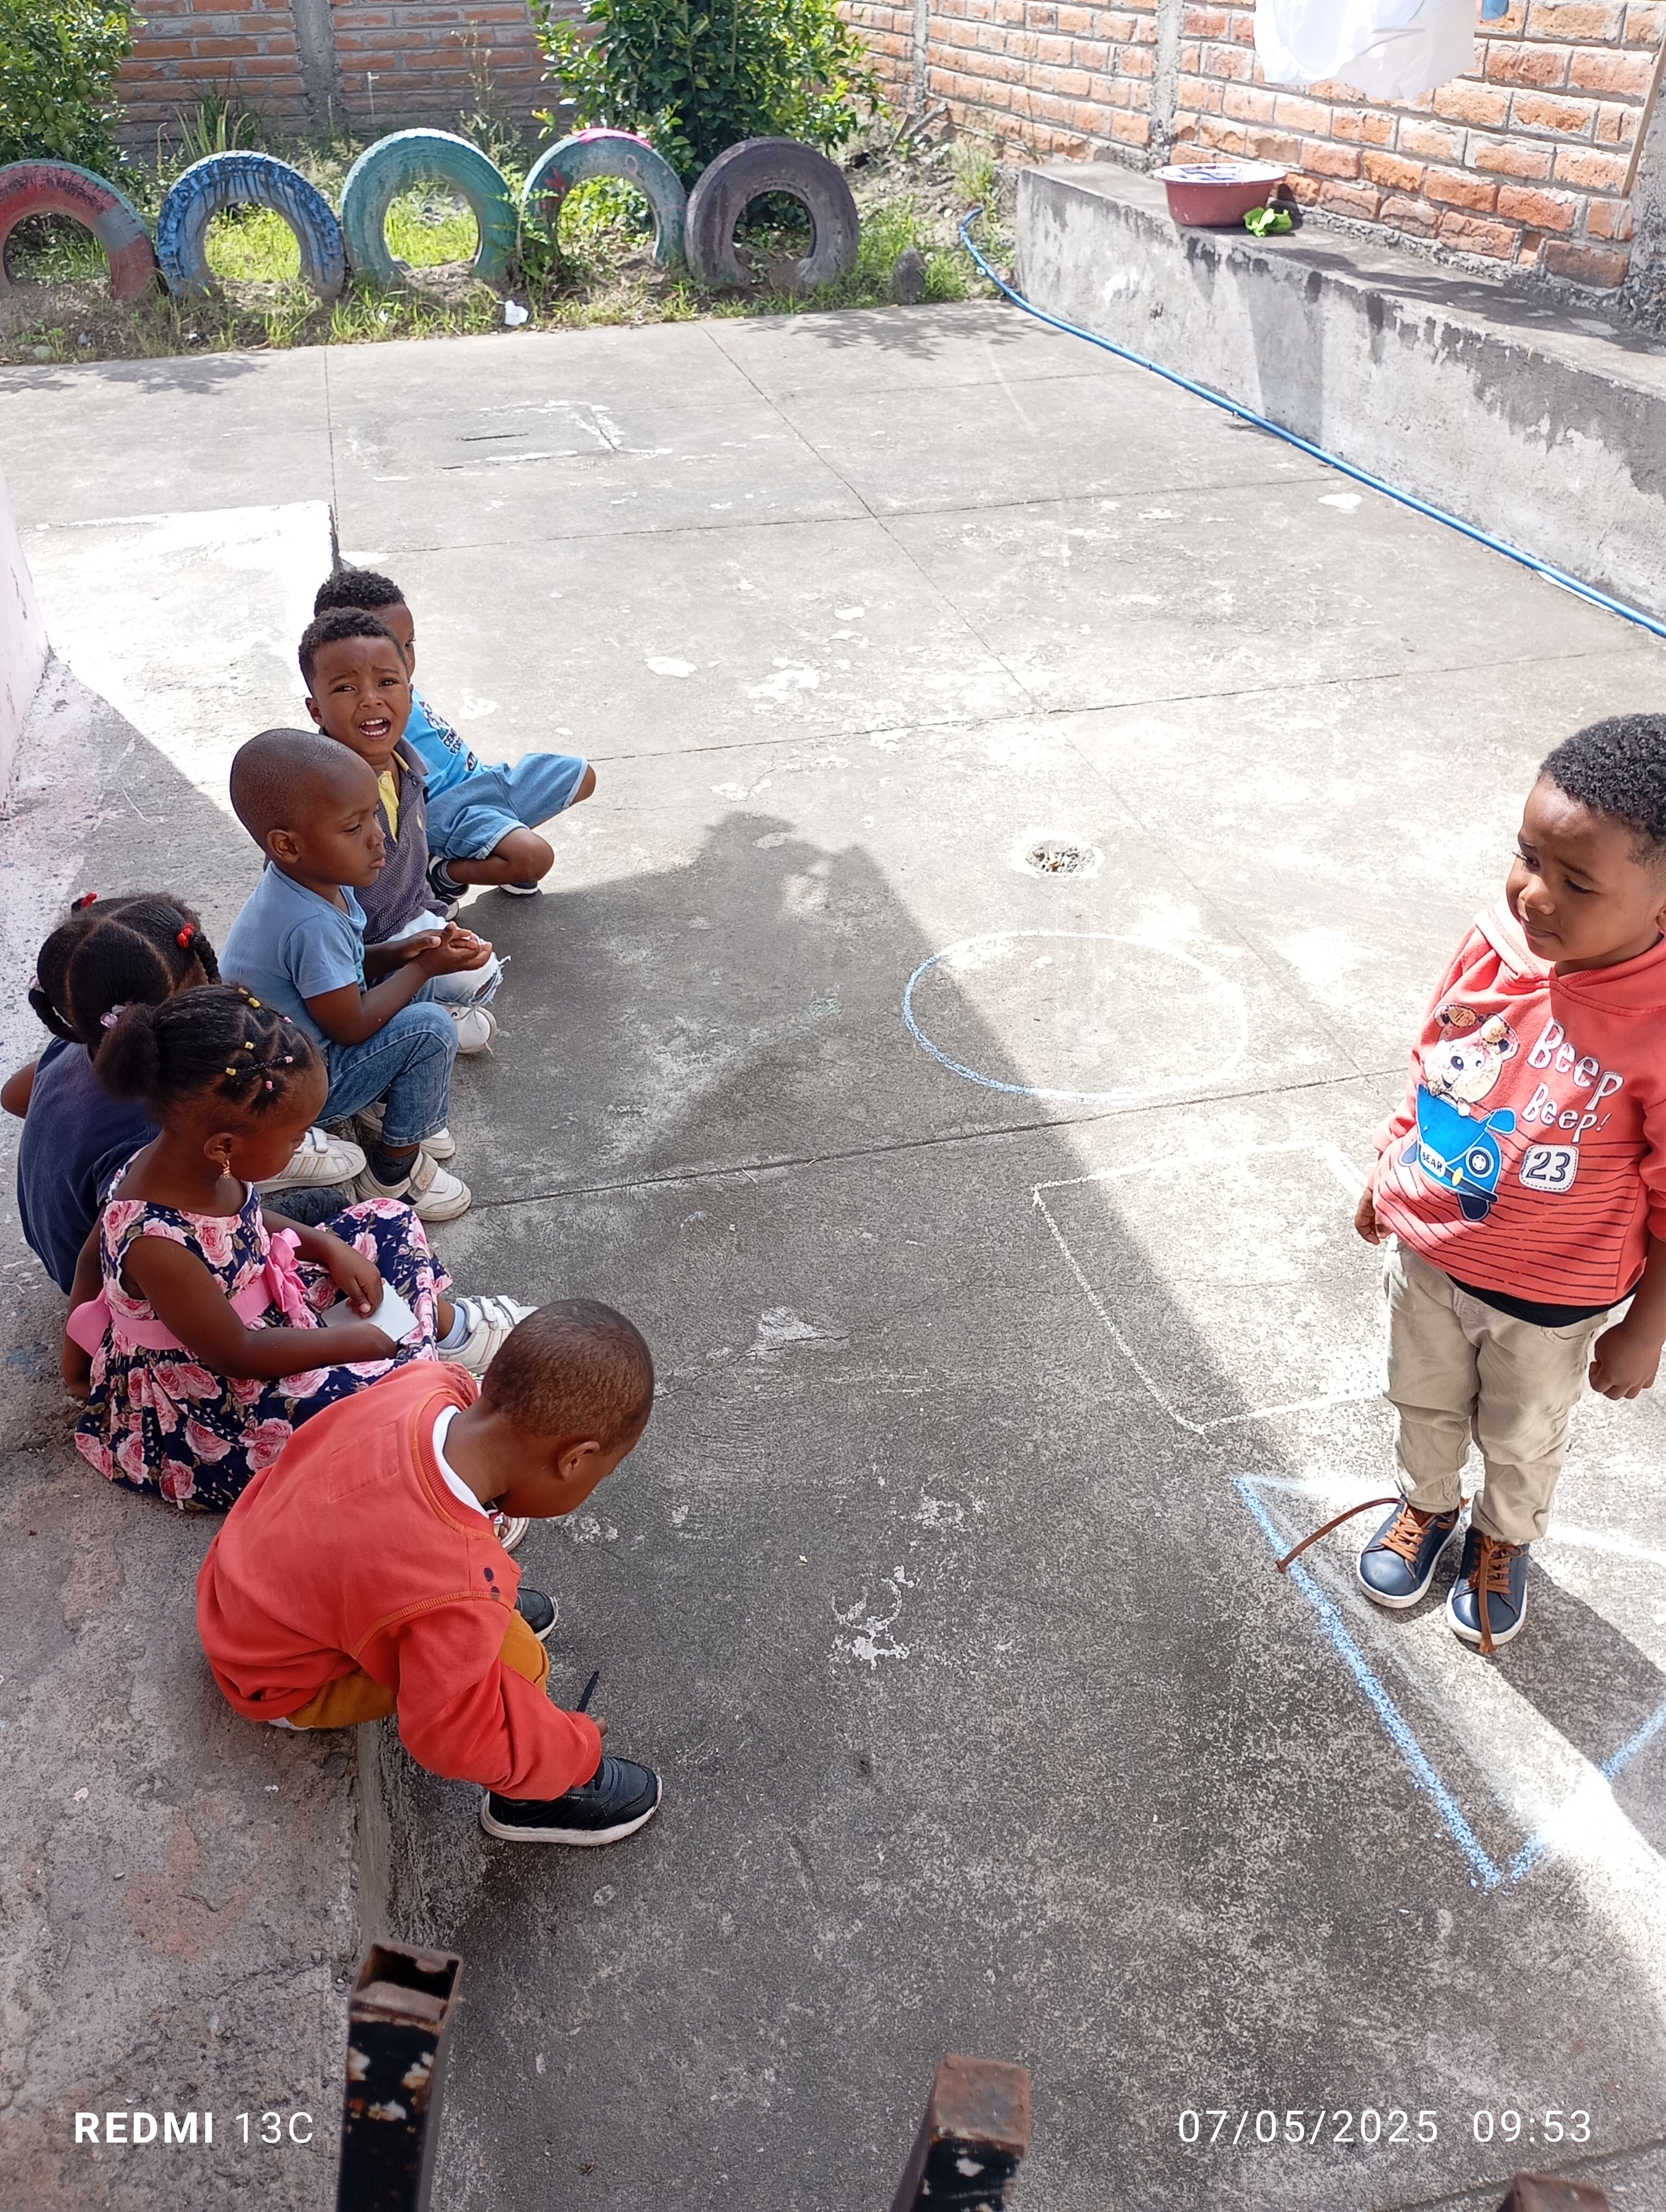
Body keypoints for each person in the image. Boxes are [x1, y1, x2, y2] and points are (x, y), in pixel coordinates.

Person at [1353, 714, 1666, 1652]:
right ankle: (1427, 1505)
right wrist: (1393, 1161)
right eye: (1528, 858)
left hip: (1552, 1300)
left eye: (1577, 883)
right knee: (1421, 1400)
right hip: (1433, 1252)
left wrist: (1647, 1327)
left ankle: (1501, 1537)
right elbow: (1435, 1059)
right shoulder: (1496, 946)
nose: (1534, 894)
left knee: (1523, 1434)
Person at [196, 1301, 663, 1847]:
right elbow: (451, 1734)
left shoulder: (422, 1386)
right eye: (600, 1476)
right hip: (282, 1680)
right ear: (575, 1460)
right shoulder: (456, 1584)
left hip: (239, 1585)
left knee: (466, 1611)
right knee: (518, 1663)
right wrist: (572, 1750)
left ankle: (468, 1627)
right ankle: (533, 1798)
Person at [63, 985, 521, 1510]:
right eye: (296, 1135)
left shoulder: (196, 1162)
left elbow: (244, 1219)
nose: (304, 1142)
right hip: (223, 1391)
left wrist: (325, 1246)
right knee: (365, 1406)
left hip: (271, 1306)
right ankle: (444, 1479)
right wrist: (349, 1344)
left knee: (387, 1218)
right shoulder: (156, 1243)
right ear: (225, 1147)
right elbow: (237, 1353)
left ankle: (429, 1346)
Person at [5, 892, 363, 1290]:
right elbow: (144, 1233)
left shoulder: (79, 1044)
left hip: (65, 1251)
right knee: (332, 1206)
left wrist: (72, 1138)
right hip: (121, 1282)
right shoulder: (151, 1133)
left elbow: (12, 1096)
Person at [220, 727, 483, 1220]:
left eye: (374, 816)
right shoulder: (309, 923)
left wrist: (405, 953)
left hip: (296, 1052)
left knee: (416, 964)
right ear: (288, 845)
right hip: (293, 1090)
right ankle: (394, 1174)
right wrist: (424, 964)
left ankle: (389, 1098)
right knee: (431, 1030)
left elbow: (344, 968)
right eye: (353, 827)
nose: (378, 835)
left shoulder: (311, 882)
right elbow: (351, 1026)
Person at [311, 567, 594, 902]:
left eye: (409, 643)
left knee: (581, 775)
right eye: (394, 646)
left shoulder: (401, 689)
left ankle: (494, 847)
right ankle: (441, 873)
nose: (405, 658)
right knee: (534, 858)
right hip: (449, 810)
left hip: (484, 780)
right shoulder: (368, 717)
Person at [299, 608, 504, 1051]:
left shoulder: (409, 767)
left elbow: (411, 871)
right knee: (437, 1012)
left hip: (408, 925)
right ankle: (410, 1024)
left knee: (481, 969)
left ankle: (426, 1008)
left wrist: (437, 927)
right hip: (357, 954)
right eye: (346, 688)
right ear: (316, 710)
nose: (370, 700)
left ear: (410, 696)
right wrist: (409, 963)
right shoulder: (319, 797)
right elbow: (318, 929)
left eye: (387, 682)